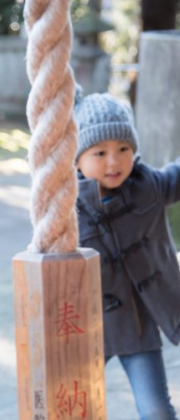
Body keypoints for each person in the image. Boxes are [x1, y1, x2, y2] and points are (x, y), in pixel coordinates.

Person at [75, 89, 180, 420]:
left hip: (137, 323)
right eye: (99, 151)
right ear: (77, 159)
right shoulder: (65, 206)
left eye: (123, 149)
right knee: (72, 404)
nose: (113, 161)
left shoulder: (147, 184)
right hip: (86, 325)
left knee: (157, 410)